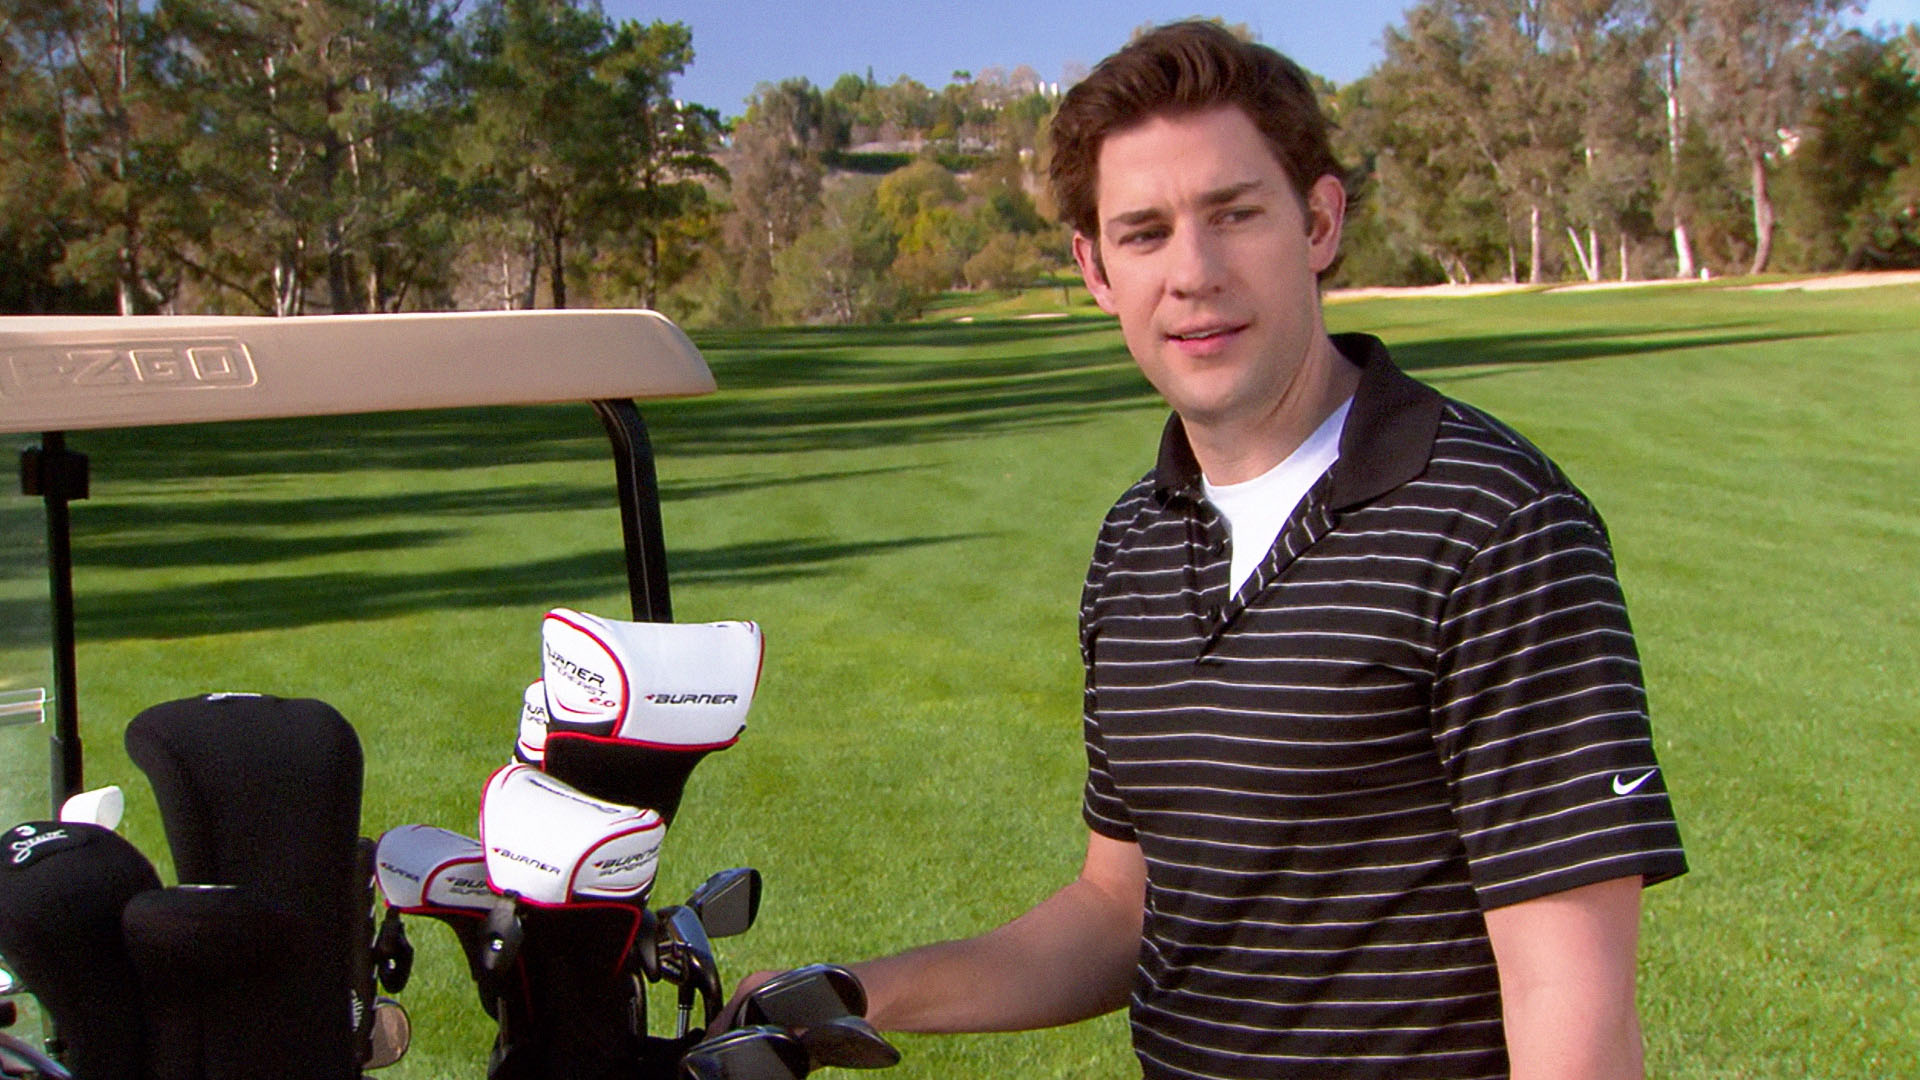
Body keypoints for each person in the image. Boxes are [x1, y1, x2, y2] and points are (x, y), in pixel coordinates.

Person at [727, 20, 1686, 1080]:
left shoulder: (1494, 521)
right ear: (1096, 268)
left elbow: (1571, 1007)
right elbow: (1121, 909)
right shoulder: (1137, 540)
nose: (1193, 272)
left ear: (1318, 221)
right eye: (1145, 233)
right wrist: (846, 995)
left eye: (1234, 214)